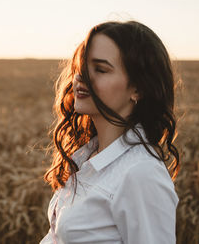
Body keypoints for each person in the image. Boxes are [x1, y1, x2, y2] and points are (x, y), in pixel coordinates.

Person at [40, 21, 180, 244]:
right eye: (81, 68)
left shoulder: (141, 174)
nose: (81, 77)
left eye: (101, 69)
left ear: (138, 89)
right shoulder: (87, 157)